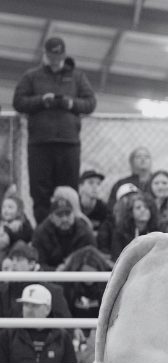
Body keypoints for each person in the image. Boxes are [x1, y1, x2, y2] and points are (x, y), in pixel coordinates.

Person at [12, 37, 96, 224]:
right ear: (44, 55)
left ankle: (68, 227)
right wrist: (42, 100)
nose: (55, 61)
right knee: (40, 192)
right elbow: (19, 102)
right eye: (51, 57)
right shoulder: (31, 76)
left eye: (58, 57)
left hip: (69, 144)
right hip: (40, 144)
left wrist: (71, 103)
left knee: (68, 191)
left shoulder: (77, 77)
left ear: (64, 55)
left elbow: (90, 103)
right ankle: (43, 230)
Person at [61, 246, 112, 363]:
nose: (89, 278)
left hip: (100, 331)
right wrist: (72, 327)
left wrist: (100, 328)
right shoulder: (67, 284)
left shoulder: (109, 281)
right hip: (73, 331)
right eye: (85, 273)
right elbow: (62, 311)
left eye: (92, 274)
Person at [0, 243, 71, 319]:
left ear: (32, 264)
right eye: (12, 260)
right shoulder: (3, 290)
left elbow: (65, 324)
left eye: (18, 260)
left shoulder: (52, 290)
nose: (13, 263)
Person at [32, 192, 96, 270]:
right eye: (60, 215)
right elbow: (38, 263)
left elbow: (93, 260)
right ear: (51, 217)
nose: (64, 219)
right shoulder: (40, 233)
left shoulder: (84, 231)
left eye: (68, 214)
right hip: (50, 278)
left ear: (73, 214)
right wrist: (55, 271)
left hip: (79, 278)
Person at [109, 191, 159, 261]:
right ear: (130, 212)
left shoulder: (158, 232)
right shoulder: (121, 233)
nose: (143, 210)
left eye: (146, 207)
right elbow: (116, 258)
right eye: (138, 208)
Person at [0, 194, 33, 262]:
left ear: (19, 210)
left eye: (10, 207)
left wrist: (8, 230)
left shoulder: (22, 224)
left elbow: (28, 236)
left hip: (11, 255)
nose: (6, 210)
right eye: (4, 207)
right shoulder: (3, 223)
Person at [78, 170, 110, 237]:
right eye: (91, 183)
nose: (95, 186)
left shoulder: (103, 209)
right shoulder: (75, 204)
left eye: (98, 184)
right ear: (81, 186)